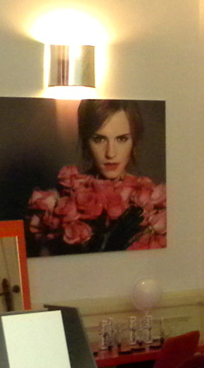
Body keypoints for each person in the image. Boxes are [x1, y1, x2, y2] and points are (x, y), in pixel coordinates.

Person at [26, 99, 166, 254]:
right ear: (86, 140)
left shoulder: (153, 201)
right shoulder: (61, 202)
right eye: (99, 139)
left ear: (134, 140)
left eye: (122, 139)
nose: (110, 153)